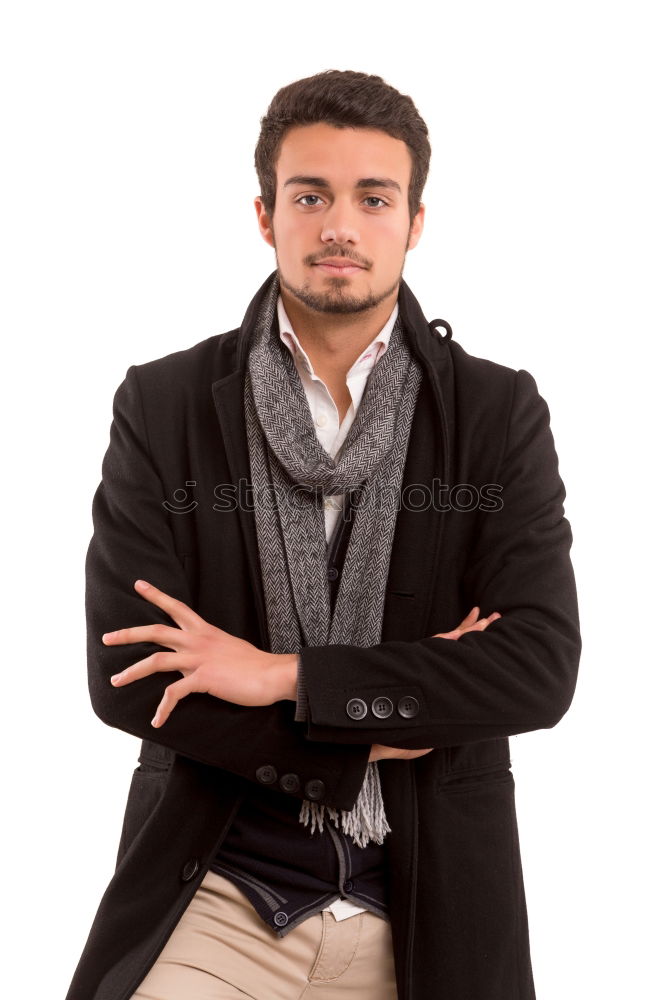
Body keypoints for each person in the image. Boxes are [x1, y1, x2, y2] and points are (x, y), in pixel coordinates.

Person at [65, 69, 581, 1000]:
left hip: (426, 919)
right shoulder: (167, 402)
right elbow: (129, 675)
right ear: (266, 216)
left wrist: (285, 676)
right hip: (217, 896)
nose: (340, 225)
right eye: (311, 196)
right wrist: (383, 724)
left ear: (414, 222)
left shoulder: (496, 412)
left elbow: (536, 667)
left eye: (373, 198)